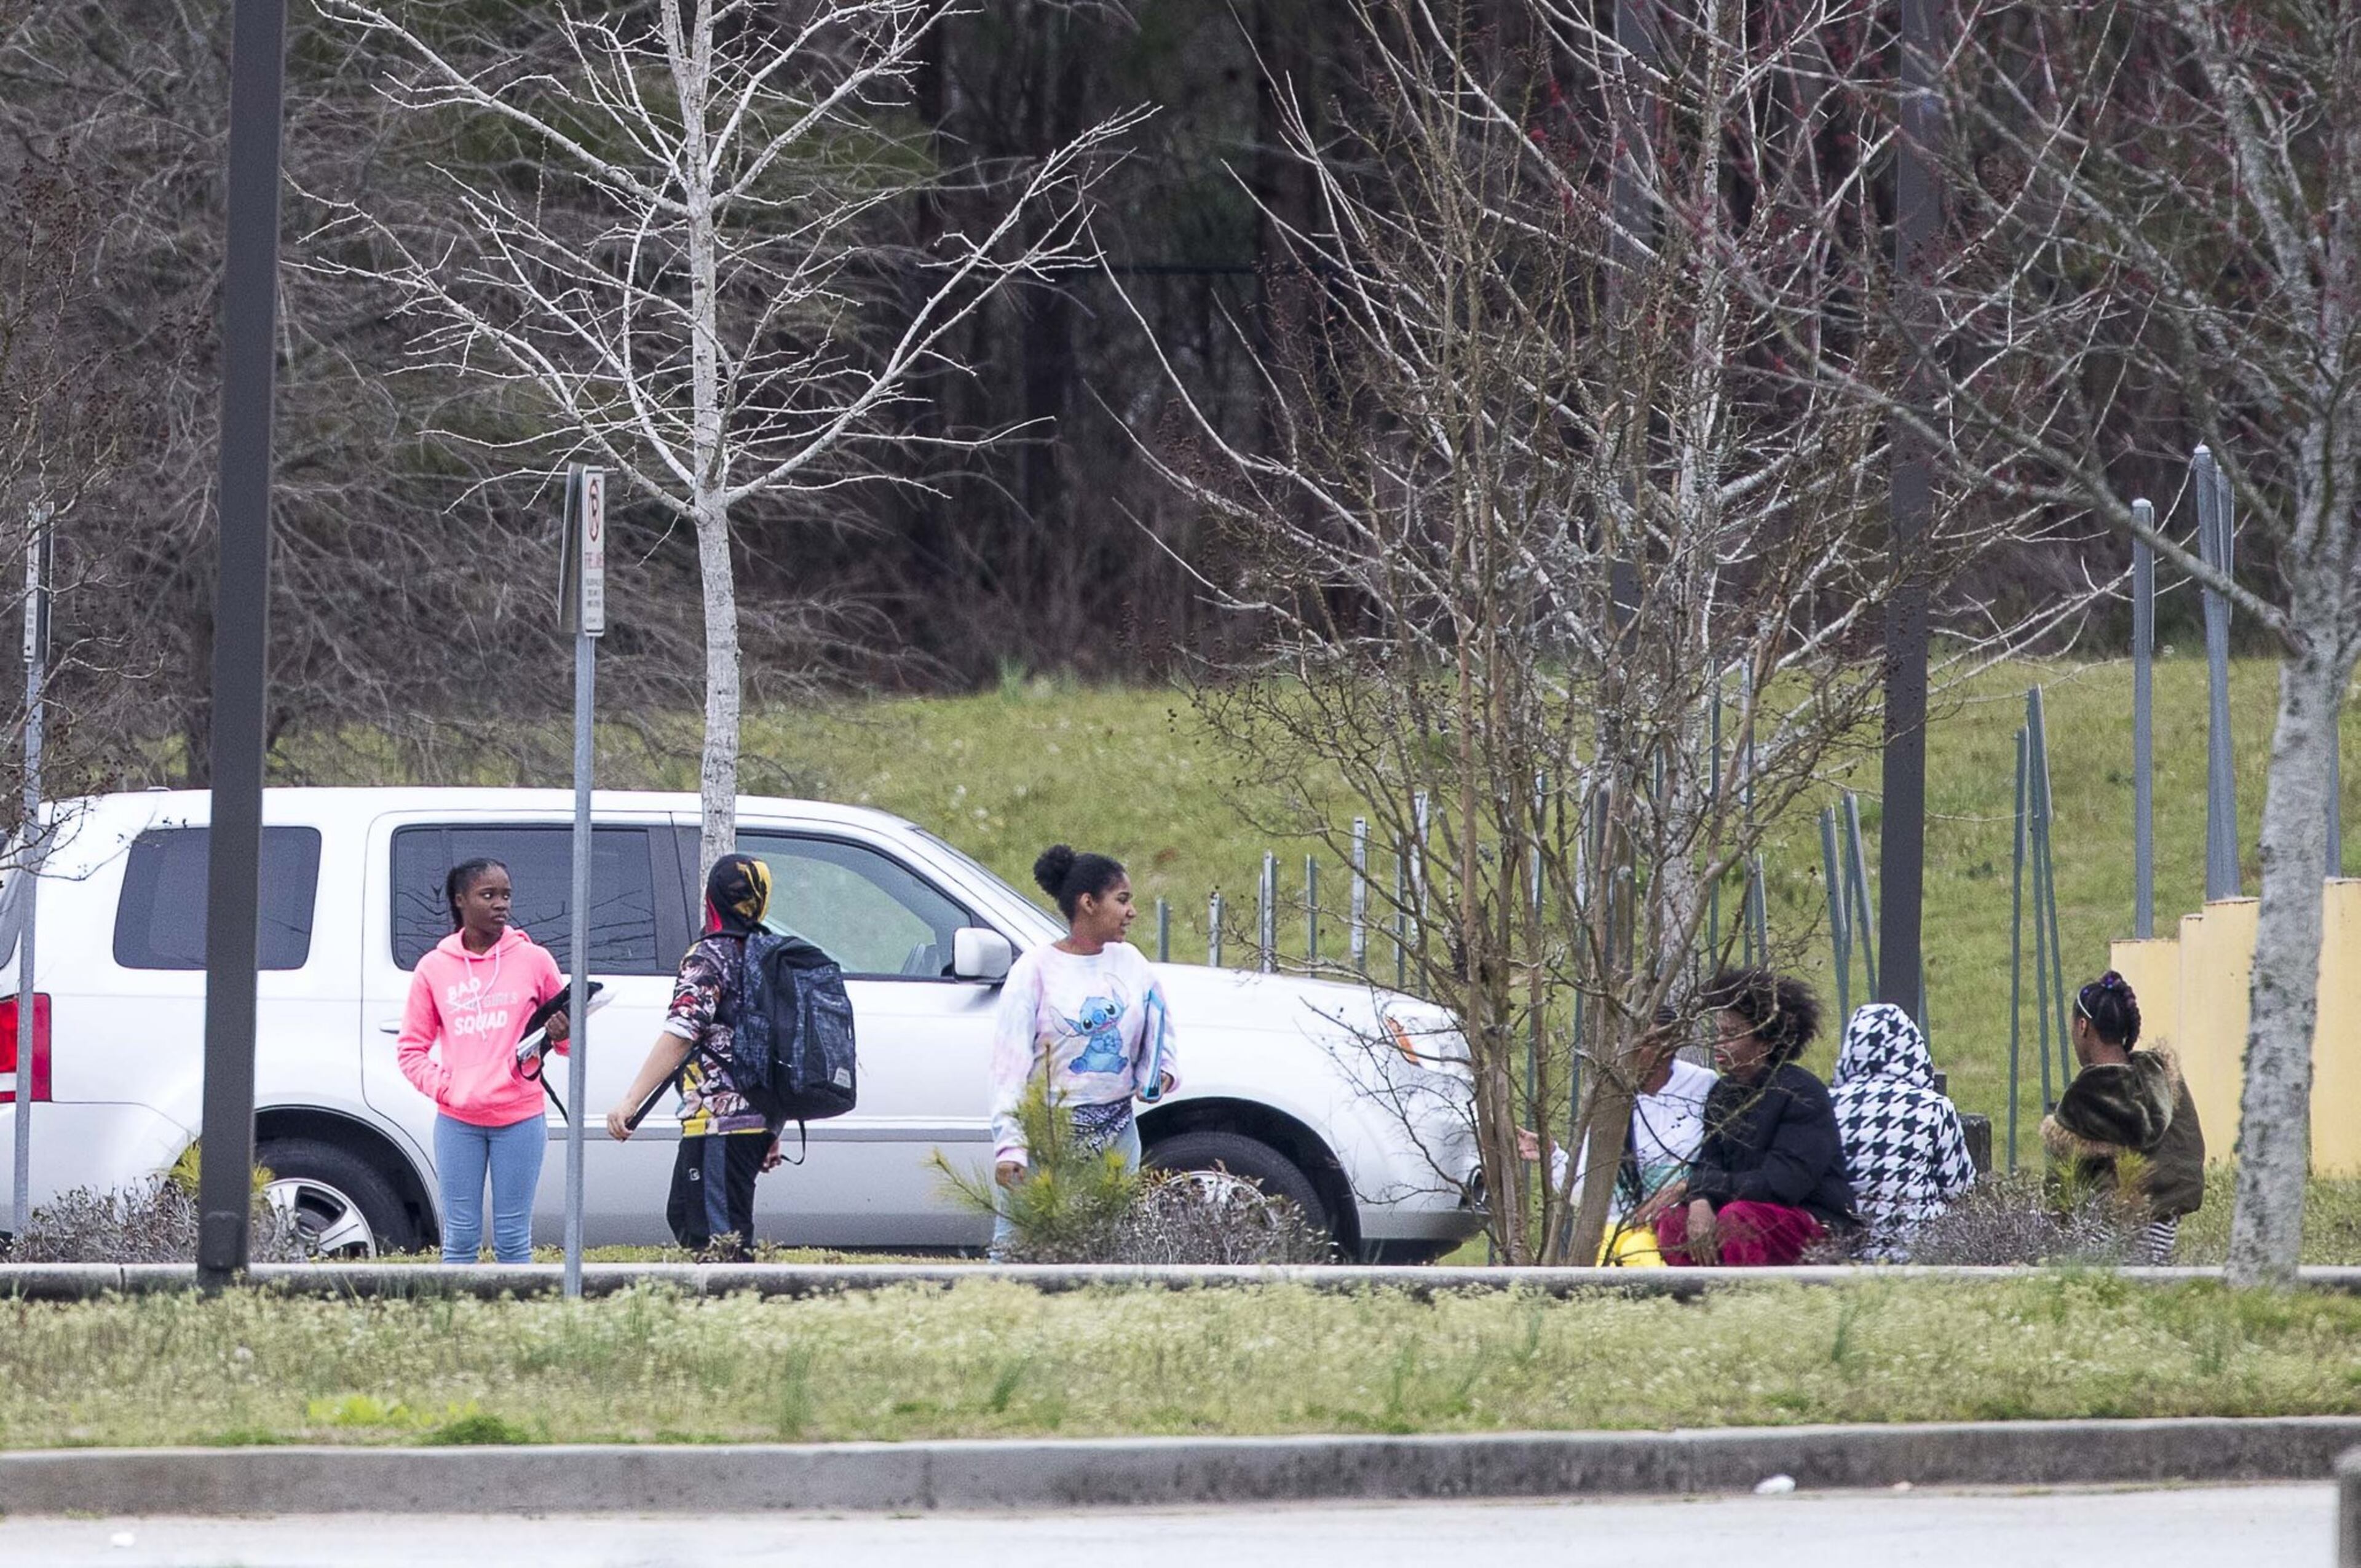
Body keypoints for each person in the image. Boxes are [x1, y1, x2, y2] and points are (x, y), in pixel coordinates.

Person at [987, 845, 1179, 1256]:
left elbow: (1161, 1031)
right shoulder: (1034, 970)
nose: (1132, 912)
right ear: (1088, 903)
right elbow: (1009, 1067)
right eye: (1122, 900)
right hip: (1048, 1135)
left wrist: (1160, 1073)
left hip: (1116, 1132)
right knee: (1018, 1249)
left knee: (1116, 1249)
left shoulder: (1132, 964)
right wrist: (1011, 1147)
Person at [606, 855, 786, 1260]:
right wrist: (772, 1126)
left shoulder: (709, 956)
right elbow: (780, 1045)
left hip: (718, 1121)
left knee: (715, 1239)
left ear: (713, 899)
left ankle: (730, 1316)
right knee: (697, 1217)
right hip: (757, 1116)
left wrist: (631, 1100)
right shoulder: (769, 954)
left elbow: (682, 1033)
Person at [397, 858, 566, 1264]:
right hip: (459, 1122)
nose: (500, 905)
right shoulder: (434, 968)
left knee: (512, 1237)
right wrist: (447, 1088)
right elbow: (410, 1050)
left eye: (506, 895)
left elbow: (567, 1043)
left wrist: (563, 1033)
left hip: (520, 1118)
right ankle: (456, 1325)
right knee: (459, 1237)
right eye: (487, 895)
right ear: (460, 901)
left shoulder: (534, 960)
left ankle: (515, 1325)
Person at [1652, 967, 1857, 1266]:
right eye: (1719, 1032)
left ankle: (1743, 1303)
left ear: (1767, 1042)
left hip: (1812, 1222)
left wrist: (1701, 1187)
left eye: (1731, 1034)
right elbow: (1710, 1162)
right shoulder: (1723, 1093)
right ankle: (1697, 1305)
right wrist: (1699, 1200)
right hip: (1743, 1212)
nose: (1719, 1043)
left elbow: (1781, 1185)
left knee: (1737, 1219)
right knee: (1674, 1221)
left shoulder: (1802, 1094)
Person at [1517, 1007, 1715, 1265]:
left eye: (1643, 1042)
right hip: (1616, 1227)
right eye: (1623, 1040)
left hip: (1674, 1223)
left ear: (1669, 1046)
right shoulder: (1610, 1094)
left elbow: (1723, 1158)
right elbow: (1587, 1192)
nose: (1629, 1050)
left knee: (1640, 1254)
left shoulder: (1704, 1085)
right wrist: (1552, 1155)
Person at [2043, 971, 2204, 1262]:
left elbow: (2060, 1195)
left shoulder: (2079, 1103)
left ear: (2083, 1027)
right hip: (2162, 1237)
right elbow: (2188, 1160)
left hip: (2102, 1244)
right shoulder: (2163, 1081)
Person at [1830, 1002, 1977, 1261]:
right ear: (1913, 1049)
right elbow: (1961, 1191)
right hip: (1919, 1250)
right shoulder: (1933, 1107)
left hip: (1846, 1247)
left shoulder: (1830, 1104)